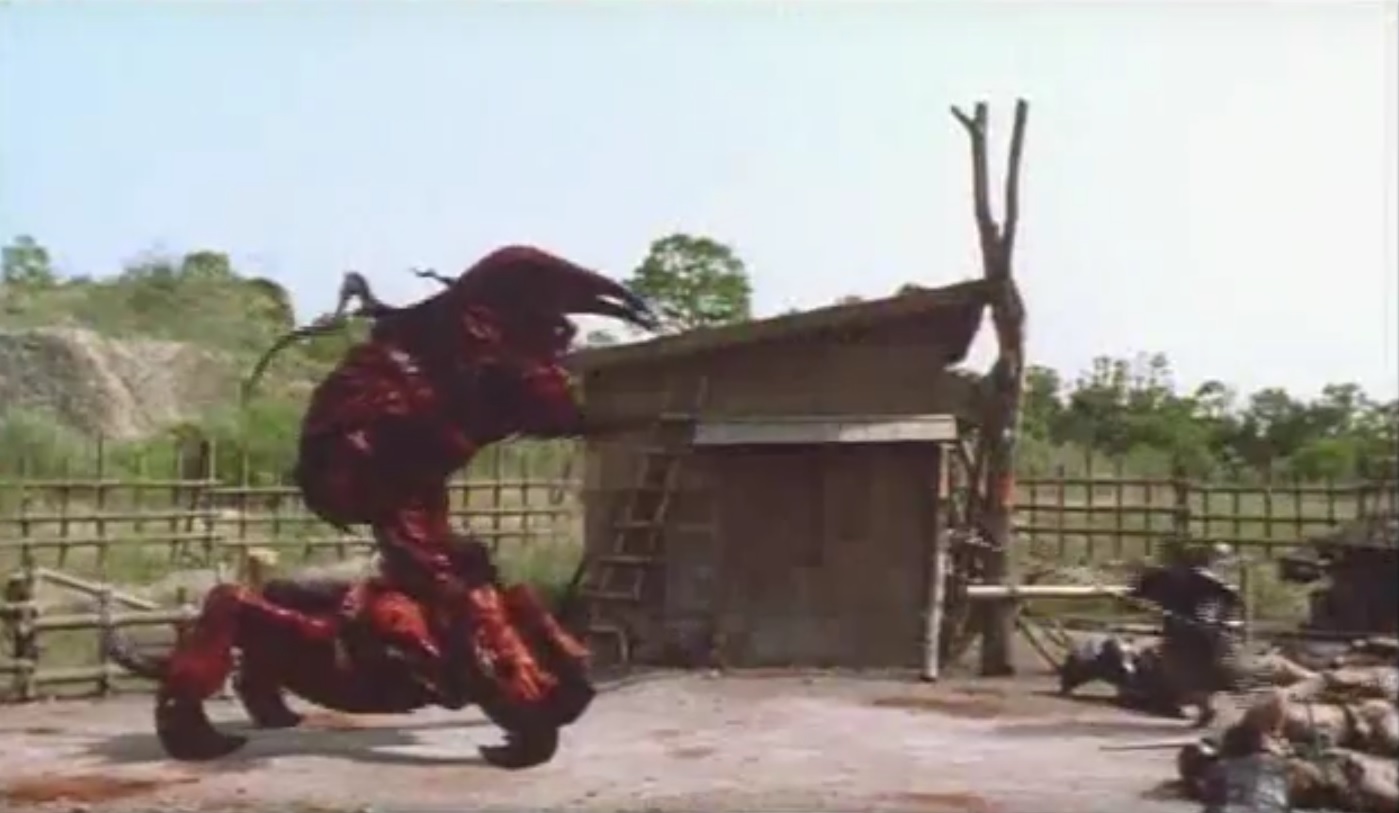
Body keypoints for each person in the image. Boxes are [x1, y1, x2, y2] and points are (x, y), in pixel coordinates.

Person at [253, 245, 659, 705]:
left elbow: (554, 412)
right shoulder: (393, 375)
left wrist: (619, 416)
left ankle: (498, 664)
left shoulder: (496, 377)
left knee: (466, 569)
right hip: (374, 481)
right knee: (440, 576)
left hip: (416, 489)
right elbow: (364, 453)